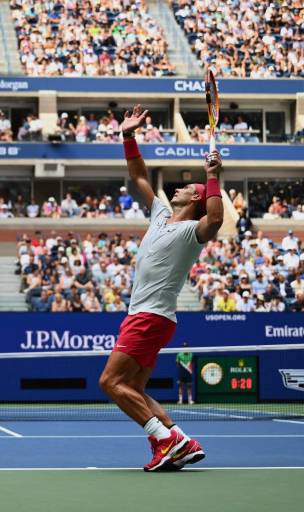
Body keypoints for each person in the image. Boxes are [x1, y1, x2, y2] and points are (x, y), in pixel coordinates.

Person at [99, 104, 223, 472]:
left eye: (189, 186)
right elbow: (138, 177)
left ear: (197, 199)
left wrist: (213, 176)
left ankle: (164, 440)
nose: (181, 187)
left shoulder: (191, 232)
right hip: (148, 315)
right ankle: (179, 439)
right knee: (132, 388)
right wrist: (128, 136)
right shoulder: (160, 214)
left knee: (109, 382)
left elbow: (215, 219)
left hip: (148, 316)